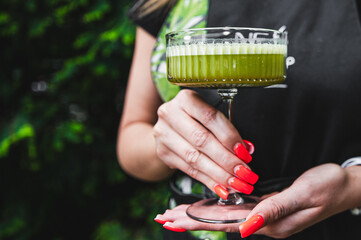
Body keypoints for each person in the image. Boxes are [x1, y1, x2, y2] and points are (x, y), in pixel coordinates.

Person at [117, 0, 361, 239]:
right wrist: (167, 144)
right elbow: (132, 137)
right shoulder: (166, 4)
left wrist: (350, 186)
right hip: (195, 226)